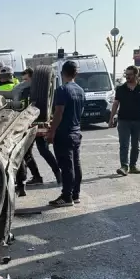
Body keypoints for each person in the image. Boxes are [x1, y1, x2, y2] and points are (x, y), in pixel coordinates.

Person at [46, 60, 84, 207]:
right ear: (76, 73)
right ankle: (76, 194)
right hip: (76, 132)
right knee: (76, 164)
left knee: (67, 166)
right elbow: (80, 112)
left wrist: (52, 131)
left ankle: (66, 197)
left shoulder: (62, 90)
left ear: (62, 73)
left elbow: (59, 112)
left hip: (63, 133)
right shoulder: (80, 90)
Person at [19, 67, 61, 187]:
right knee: (26, 153)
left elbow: (49, 107)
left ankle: (58, 173)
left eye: (26, 79)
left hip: (39, 123)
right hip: (28, 125)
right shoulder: (24, 90)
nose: (24, 82)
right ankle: (37, 176)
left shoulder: (42, 90)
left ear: (34, 79)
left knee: (44, 151)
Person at [109, 66, 140, 176]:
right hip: (123, 121)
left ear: (136, 75)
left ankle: (133, 166)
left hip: (138, 121)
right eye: (126, 74)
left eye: (130, 74)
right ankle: (124, 166)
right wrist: (111, 118)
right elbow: (115, 103)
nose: (127, 76)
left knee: (135, 145)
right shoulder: (120, 88)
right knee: (124, 144)